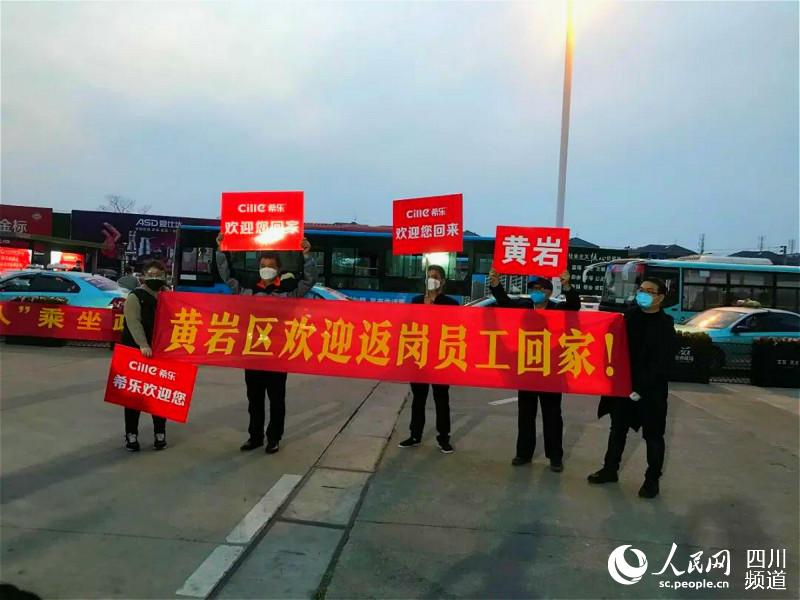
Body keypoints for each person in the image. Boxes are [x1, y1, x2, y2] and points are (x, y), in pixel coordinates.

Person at [216, 234, 317, 454]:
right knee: (254, 399)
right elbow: (227, 277)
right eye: (263, 266)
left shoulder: (289, 291)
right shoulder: (248, 289)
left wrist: (307, 256)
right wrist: (222, 251)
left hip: (277, 354)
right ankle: (255, 436)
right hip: (253, 352)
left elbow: (309, 281)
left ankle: (274, 438)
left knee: (277, 400)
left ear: (278, 269)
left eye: (270, 266)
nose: (266, 269)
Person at [588, 276, 676, 499]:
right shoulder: (628, 317)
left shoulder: (665, 325)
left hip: (651, 391)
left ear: (660, 298)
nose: (643, 294)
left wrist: (641, 388)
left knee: (653, 436)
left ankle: (652, 480)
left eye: (649, 291)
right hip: (623, 387)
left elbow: (662, 363)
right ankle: (610, 470)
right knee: (617, 430)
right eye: (641, 290)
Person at [488, 268, 580, 471]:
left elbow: (575, 305)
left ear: (549, 292)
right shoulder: (524, 306)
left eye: (540, 289)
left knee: (552, 416)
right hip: (528, 367)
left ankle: (555, 457)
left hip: (551, 370)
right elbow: (504, 302)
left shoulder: (558, 308)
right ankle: (523, 453)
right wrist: (495, 284)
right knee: (525, 414)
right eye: (533, 289)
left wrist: (566, 285)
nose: (535, 292)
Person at [398, 265, 460, 454]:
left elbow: (455, 327)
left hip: (441, 357)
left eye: (435, 277)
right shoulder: (416, 301)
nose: (431, 280)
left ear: (442, 281)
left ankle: (444, 438)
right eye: (429, 276)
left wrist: (434, 305)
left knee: (441, 399)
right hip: (419, 357)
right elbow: (408, 325)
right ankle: (415, 435)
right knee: (418, 399)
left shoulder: (450, 303)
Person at [120, 260, 170, 452]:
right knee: (134, 395)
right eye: (151, 274)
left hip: (161, 352)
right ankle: (131, 434)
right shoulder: (135, 296)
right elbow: (134, 323)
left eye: (159, 275)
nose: (155, 278)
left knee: (160, 395)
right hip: (137, 351)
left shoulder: (168, 296)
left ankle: (160, 433)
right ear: (143, 276)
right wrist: (143, 344)